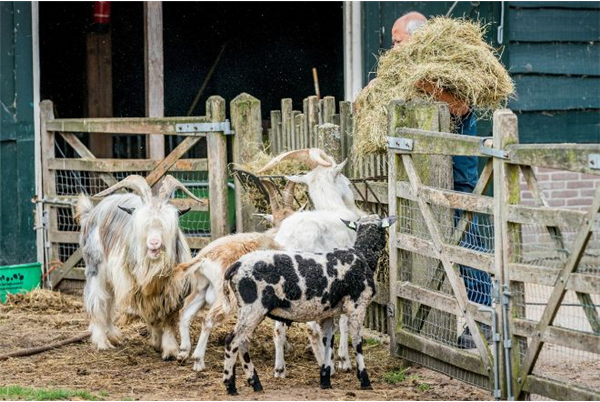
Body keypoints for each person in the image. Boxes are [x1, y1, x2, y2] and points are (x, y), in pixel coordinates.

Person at [390, 12, 492, 349]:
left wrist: (423, 85)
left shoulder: (448, 64)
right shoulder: (417, 68)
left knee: (468, 246)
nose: (392, 49)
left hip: (459, 177)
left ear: (417, 38)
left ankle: (485, 322)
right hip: (428, 174)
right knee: (436, 247)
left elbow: (461, 107)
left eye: (397, 42)